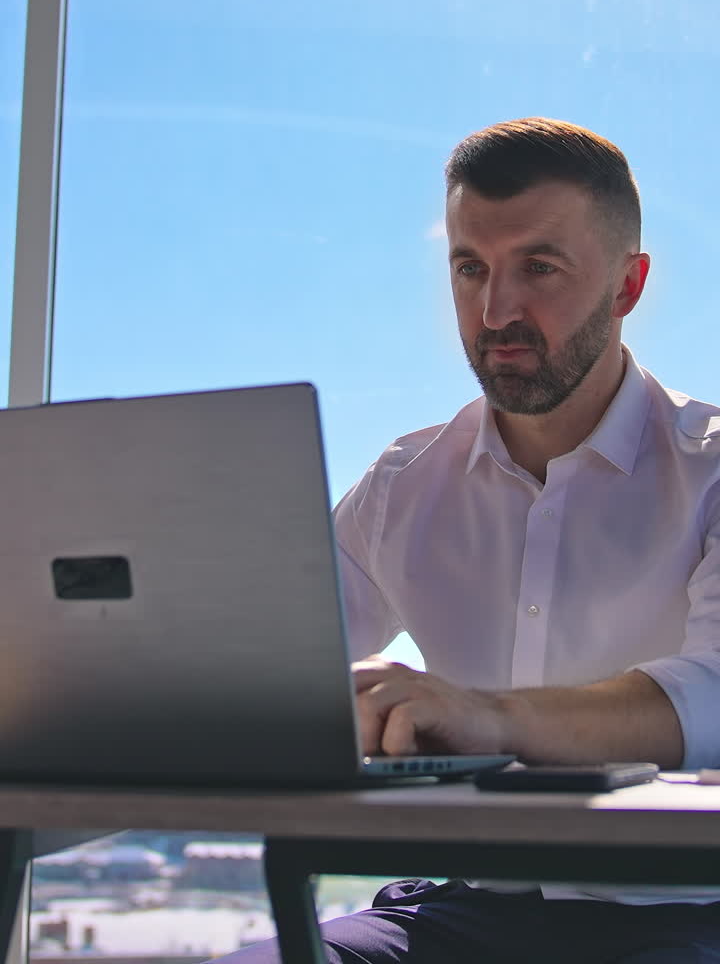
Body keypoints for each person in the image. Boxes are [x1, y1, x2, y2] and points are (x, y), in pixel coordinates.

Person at [237, 117, 720, 962]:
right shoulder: (404, 483)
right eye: (471, 268)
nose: (496, 311)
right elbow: (275, 661)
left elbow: (715, 695)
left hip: (687, 914)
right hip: (455, 910)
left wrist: (485, 716)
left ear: (627, 285)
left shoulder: (709, 471)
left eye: (539, 267)